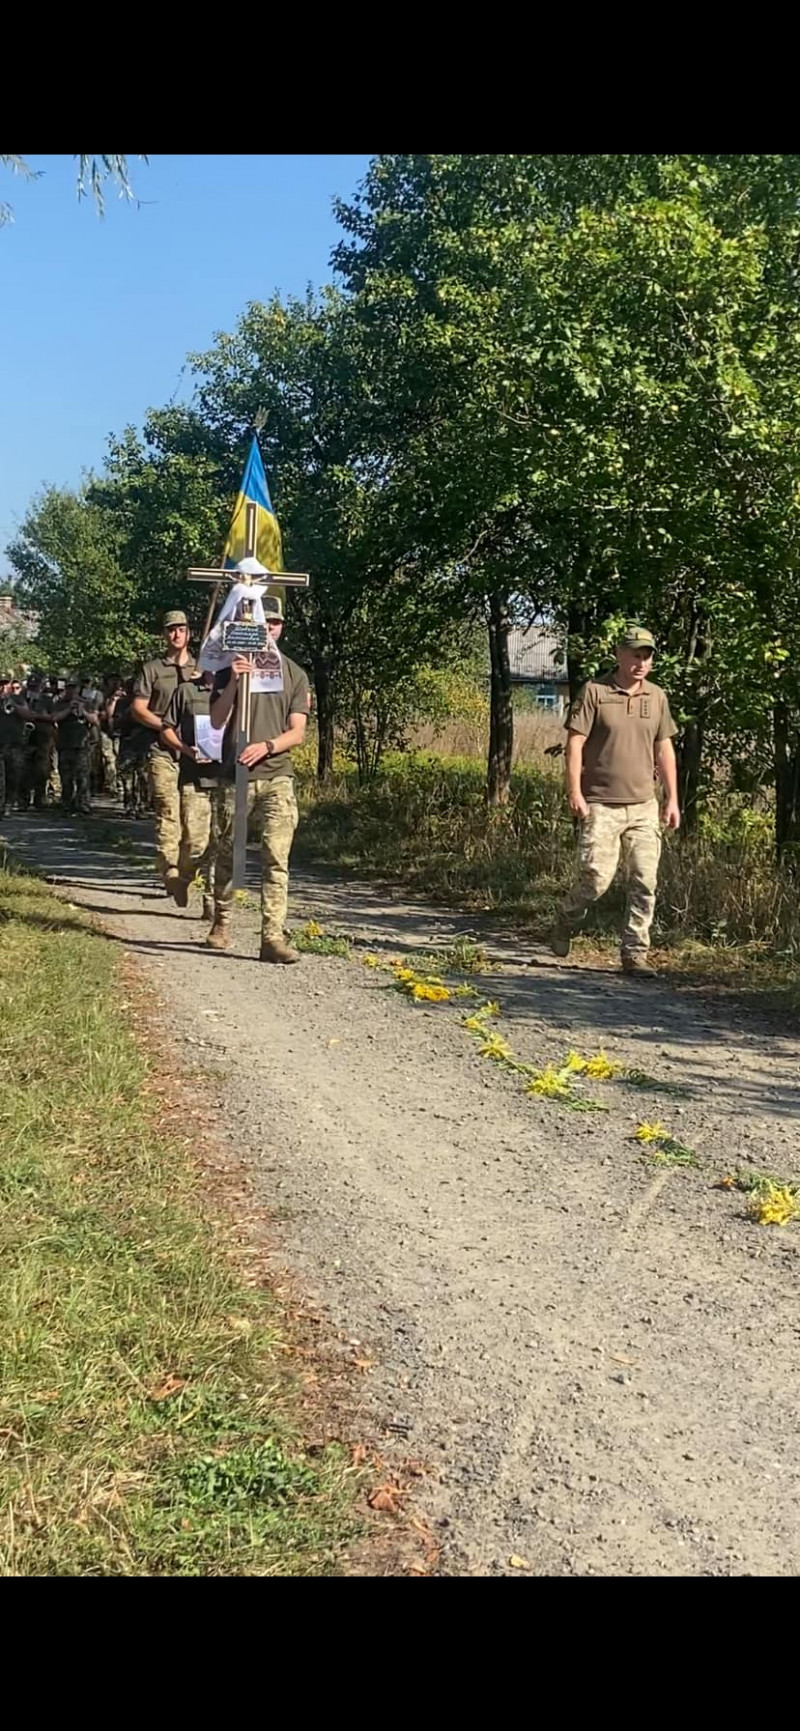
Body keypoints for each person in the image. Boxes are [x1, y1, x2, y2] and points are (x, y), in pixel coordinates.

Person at [550, 621, 680, 976]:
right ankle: (565, 918)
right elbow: (574, 743)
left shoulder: (656, 697)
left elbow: (664, 749)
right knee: (595, 880)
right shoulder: (595, 692)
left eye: (646, 657)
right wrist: (574, 790)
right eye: (634, 654)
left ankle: (635, 953)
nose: (640, 662)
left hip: (643, 805)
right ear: (619, 655)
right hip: (602, 803)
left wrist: (671, 799)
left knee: (644, 880)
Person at [207, 595, 311, 962]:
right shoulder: (228, 668)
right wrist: (234, 683)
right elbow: (217, 720)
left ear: (282, 628)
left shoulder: (294, 674)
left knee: (276, 857)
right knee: (228, 854)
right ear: (249, 626)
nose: (269, 628)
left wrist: (267, 746)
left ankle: (272, 937)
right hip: (234, 776)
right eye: (263, 622)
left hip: (277, 775)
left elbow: (297, 732)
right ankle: (221, 921)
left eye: (275, 623)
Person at [131, 611, 195, 897]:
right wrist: (166, 728)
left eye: (181, 629)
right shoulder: (153, 669)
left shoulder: (200, 668)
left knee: (193, 817)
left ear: (189, 633)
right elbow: (139, 708)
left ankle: (187, 872)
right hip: (162, 749)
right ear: (165, 634)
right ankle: (169, 870)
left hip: (195, 752)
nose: (176, 634)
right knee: (168, 809)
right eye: (171, 630)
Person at [160, 668, 220, 918]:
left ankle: (212, 904)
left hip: (227, 780)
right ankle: (184, 877)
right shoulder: (186, 691)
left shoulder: (240, 691)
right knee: (196, 844)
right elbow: (166, 730)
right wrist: (186, 750)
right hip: (194, 779)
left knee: (221, 847)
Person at [52, 678, 98, 815]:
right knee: (66, 777)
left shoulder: (86, 703)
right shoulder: (60, 704)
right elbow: (54, 718)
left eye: (74, 688)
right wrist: (68, 708)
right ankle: (67, 804)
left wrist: (82, 710)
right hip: (65, 745)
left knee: (82, 777)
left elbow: (95, 720)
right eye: (69, 688)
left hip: (82, 745)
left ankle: (83, 804)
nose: (72, 691)